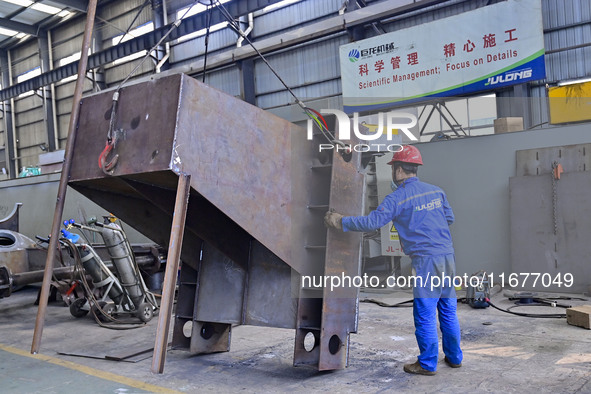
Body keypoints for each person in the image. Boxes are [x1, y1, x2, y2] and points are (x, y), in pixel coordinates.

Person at [324, 145, 462, 376]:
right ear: (416, 168)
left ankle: (427, 364)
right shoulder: (437, 191)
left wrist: (340, 221)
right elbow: (449, 218)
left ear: (398, 170)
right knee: (447, 309)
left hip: (425, 261)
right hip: (447, 256)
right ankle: (455, 357)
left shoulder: (396, 198)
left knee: (425, 313)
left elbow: (371, 223)